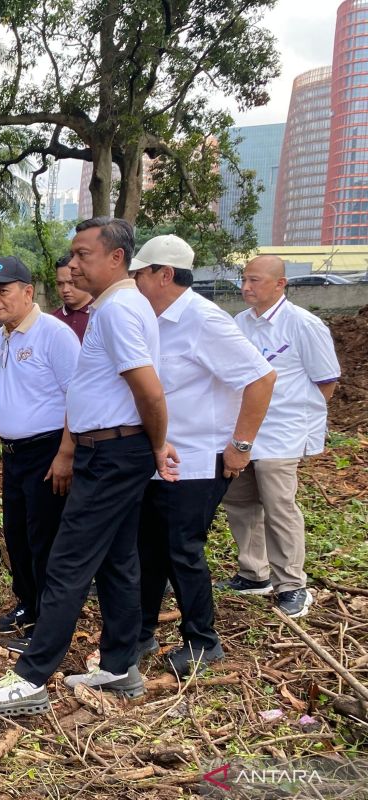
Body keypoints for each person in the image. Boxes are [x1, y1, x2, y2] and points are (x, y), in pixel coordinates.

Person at [0, 217, 177, 716]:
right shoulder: (118, 307)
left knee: (67, 561)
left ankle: (31, 678)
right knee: (117, 559)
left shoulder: (118, 312)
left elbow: (148, 389)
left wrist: (157, 443)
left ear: (116, 258)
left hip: (110, 451)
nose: (73, 264)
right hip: (114, 448)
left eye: (83, 254)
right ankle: (121, 667)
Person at [129, 235, 276, 675]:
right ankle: (142, 633)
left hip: (197, 459)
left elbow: (261, 378)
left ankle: (202, 641)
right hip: (161, 457)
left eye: (140, 273)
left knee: (181, 549)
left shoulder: (202, 320)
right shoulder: (152, 319)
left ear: (164, 275)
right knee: (149, 548)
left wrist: (240, 445)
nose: (134, 280)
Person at [0, 256, 80, 650]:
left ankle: (49, 622)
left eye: (3, 291)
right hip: (13, 454)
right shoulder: (2, 336)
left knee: (44, 537)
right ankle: (27, 606)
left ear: (28, 292)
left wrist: (65, 454)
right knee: (16, 533)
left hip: (48, 450)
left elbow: (77, 397)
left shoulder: (55, 335)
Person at [218, 255, 341, 618]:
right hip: (246, 429)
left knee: (278, 503)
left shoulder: (304, 324)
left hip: (284, 431)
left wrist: (299, 417)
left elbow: (327, 381)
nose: (246, 287)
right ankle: (255, 573)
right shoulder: (240, 323)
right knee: (240, 499)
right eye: (244, 279)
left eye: (255, 280)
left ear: (279, 284)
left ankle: (292, 583)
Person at [52, 254, 93, 342]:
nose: (65, 290)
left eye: (71, 283)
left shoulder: (102, 314)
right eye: (60, 284)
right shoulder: (52, 320)